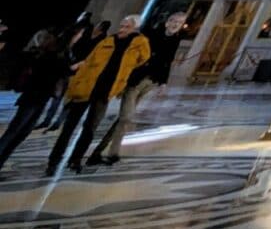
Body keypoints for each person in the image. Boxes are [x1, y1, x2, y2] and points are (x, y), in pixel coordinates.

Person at [47, 14, 149, 177]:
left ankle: (76, 159)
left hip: (104, 92)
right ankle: (54, 161)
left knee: (90, 128)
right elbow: (89, 63)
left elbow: (142, 59)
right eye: (122, 25)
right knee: (69, 128)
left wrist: (121, 81)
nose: (122, 29)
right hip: (87, 88)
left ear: (135, 28)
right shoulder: (107, 41)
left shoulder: (140, 44)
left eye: (127, 26)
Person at [87, 11, 184, 166]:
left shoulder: (176, 39)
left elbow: (167, 61)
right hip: (135, 81)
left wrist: (163, 83)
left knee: (123, 120)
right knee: (126, 117)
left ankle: (99, 152)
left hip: (150, 82)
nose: (175, 24)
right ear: (167, 21)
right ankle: (113, 153)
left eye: (179, 23)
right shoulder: (151, 34)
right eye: (173, 21)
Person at [0, 30, 70, 170]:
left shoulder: (48, 56)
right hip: (32, 98)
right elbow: (61, 71)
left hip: (39, 99)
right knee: (14, 132)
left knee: (21, 133)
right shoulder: (45, 56)